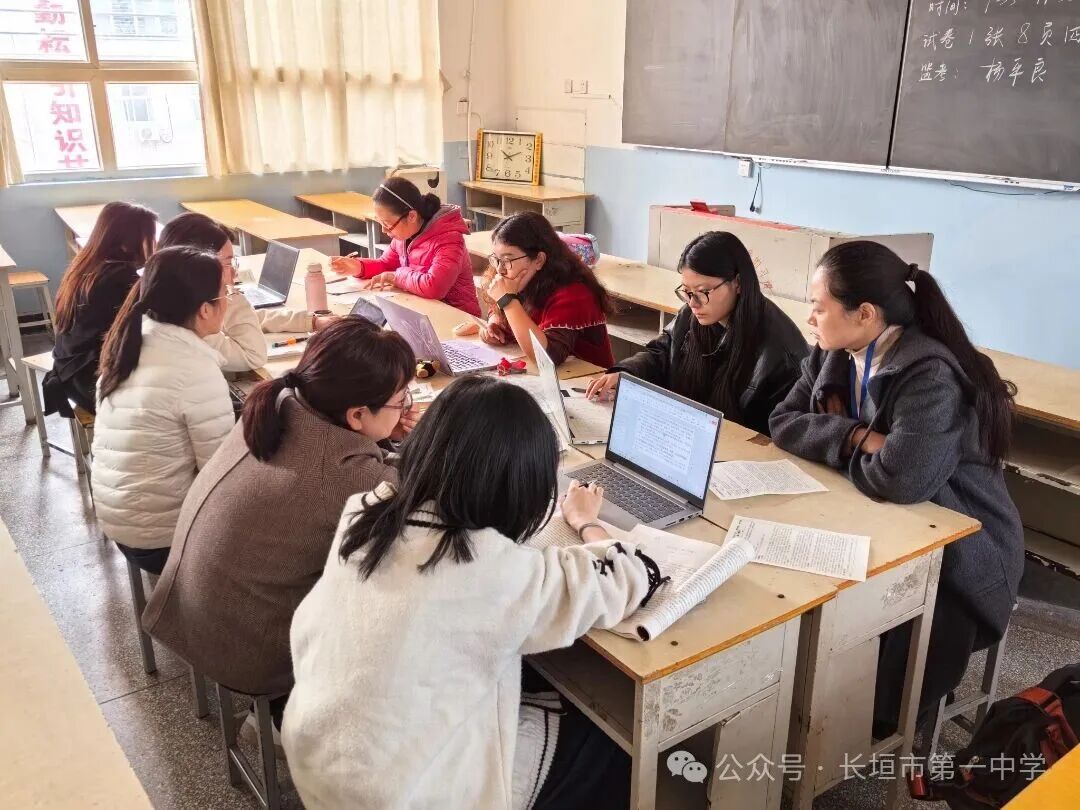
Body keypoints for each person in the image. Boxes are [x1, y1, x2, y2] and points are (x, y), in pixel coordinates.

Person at [282, 376, 667, 810]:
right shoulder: (491, 569)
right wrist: (585, 522)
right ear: (517, 487)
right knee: (609, 744)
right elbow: (630, 573)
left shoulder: (366, 512)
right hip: (400, 795)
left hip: (319, 758)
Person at [768, 240, 1024, 737]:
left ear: (865, 313)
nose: (809, 318)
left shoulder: (929, 375)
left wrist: (842, 443)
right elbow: (782, 422)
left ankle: (877, 730)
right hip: (880, 519)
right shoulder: (833, 354)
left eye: (819, 307)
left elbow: (902, 479)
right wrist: (858, 438)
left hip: (964, 550)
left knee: (883, 689)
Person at [142, 318, 417, 725]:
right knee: (394, 600)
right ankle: (282, 722)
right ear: (357, 414)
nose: (407, 406)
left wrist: (385, 434)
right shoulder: (344, 474)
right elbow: (408, 496)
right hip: (247, 653)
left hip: (188, 609)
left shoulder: (277, 406)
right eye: (401, 400)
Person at [92, 246, 235, 576]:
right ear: (204, 310)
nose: (228, 301)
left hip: (123, 525)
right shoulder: (193, 369)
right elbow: (221, 475)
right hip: (164, 540)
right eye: (225, 293)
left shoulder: (131, 342)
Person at [586, 231, 808, 435]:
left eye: (703, 292)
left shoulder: (779, 354)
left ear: (738, 283)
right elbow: (663, 352)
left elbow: (770, 436)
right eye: (687, 291)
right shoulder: (695, 314)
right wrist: (625, 373)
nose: (693, 303)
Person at [157, 212, 338, 371]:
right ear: (199, 266)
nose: (234, 272)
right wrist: (230, 292)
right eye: (228, 263)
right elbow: (253, 355)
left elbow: (247, 320)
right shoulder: (191, 325)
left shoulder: (173, 300)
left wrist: (310, 321)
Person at [43, 201, 158, 415]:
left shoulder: (85, 266)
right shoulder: (121, 278)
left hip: (68, 370)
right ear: (127, 243)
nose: (155, 244)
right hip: (91, 381)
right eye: (150, 237)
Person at [328, 177, 481, 316]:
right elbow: (386, 265)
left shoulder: (449, 239)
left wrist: (396, 277)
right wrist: (358, 267)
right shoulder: (403, 236)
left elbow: (434, 287)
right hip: (422, 311)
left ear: (412, 216)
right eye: (380, 223)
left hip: (458, 319)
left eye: (387, 224)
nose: (384, 230)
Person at [480, 212, 615, 368]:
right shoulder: (523, 279)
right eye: (497, 259)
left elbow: (546, 358)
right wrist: (494, 324)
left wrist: (508, 302)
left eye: (507, 260)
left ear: (539, 260)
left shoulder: (574, 293)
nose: (500, 269)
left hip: (587, 381)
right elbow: (499, 308)